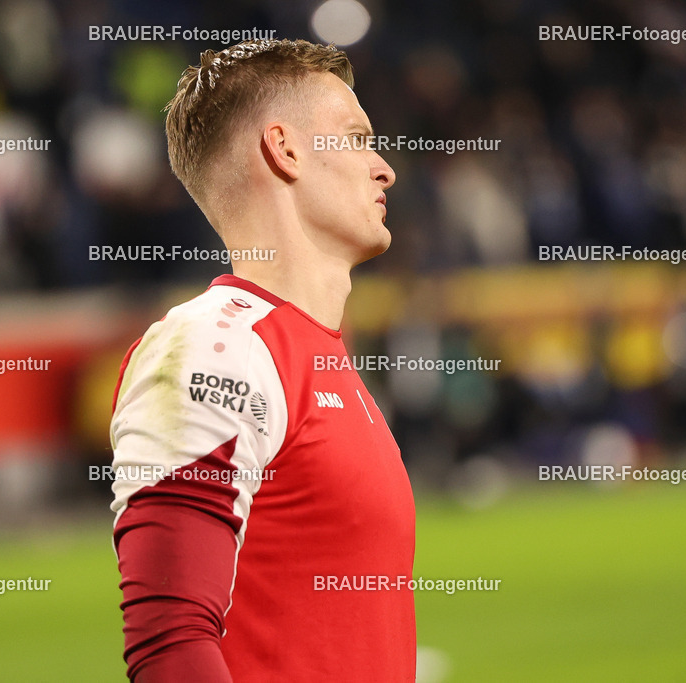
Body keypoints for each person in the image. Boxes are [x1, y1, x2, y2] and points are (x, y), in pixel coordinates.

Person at [109, 39, 415, 681]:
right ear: (285, 149)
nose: (384, 167)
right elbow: (171, 643)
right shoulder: (214, 346)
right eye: (358, 139)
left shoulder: (315, 353)